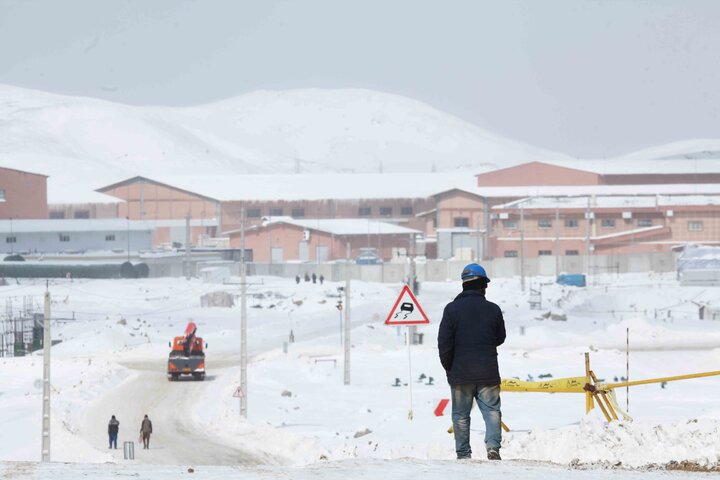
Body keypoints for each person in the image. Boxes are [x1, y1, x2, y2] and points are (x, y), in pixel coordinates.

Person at [437, 263, 506, 461]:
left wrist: (449, 367)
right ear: (483, 285)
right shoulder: (493, 309)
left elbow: (444, 344)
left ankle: (463, 454)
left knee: (460, 416)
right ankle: (493, 448)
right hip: (488, 372)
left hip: (460, 373)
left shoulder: (451, 310)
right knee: (492, 411)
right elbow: (500, 338)